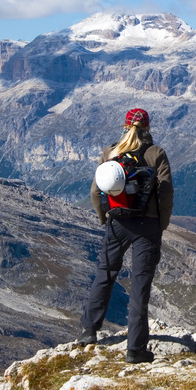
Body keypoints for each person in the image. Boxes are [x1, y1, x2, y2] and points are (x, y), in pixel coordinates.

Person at [76, 107, 174, 363]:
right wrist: (161, 224)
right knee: (140, 285)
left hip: (117, 222)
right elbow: (165, 193)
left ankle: (89, 331)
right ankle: (135, 350)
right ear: (148, 128)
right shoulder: (156, 153)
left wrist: (104, 218)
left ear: (124, 126)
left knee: (105, 274)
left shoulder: (111, 152)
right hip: (148, 225)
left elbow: (96, 192)